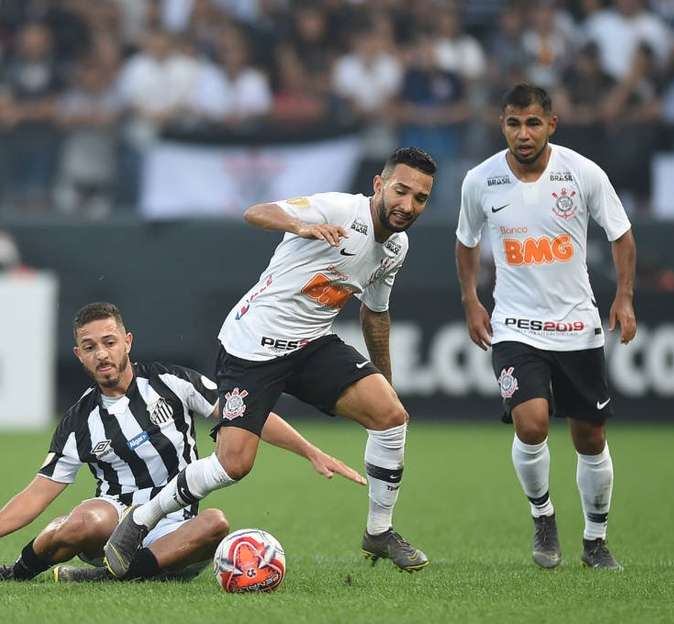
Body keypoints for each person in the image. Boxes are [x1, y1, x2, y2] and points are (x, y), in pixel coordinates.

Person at [103, 147, 436, 577]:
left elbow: (374, 312)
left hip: (312, 344)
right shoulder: (337, 208)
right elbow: (256, 212)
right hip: (252, 347)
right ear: (379, 185)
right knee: (233, 465)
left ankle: (379, 531)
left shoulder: (397, 247)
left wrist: (384, 379)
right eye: (401, 191)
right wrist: (303, 226)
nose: (407, 205)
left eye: (420, 199)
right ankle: (143, 517)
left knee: (391, 416)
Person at [0, 302, 364, 582]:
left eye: (109, 342)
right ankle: (14, 573)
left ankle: (108, 581)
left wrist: (311, 451)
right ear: (79, 355)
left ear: (127, 341)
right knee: (83, 519)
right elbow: (38, 493)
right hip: (114, 528)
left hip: (176, 530)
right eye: (90, 347)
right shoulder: (79, 420)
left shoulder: (172, 382)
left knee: (217, 523)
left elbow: (245, 415)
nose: (102, 354)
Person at [455, 83, 637, 571]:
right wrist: (472, 301)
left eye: (533, 123)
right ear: (503, 125)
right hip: (515, 327)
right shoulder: (481, 180)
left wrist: (623, 296)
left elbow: (620, 233)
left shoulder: (581, 173)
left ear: (551, 124)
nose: (523, 133)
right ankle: (543, 517)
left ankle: (595, 541)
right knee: (530, 423)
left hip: (577, 326)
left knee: (590, 438)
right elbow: (466, 241)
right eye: (513, 123)